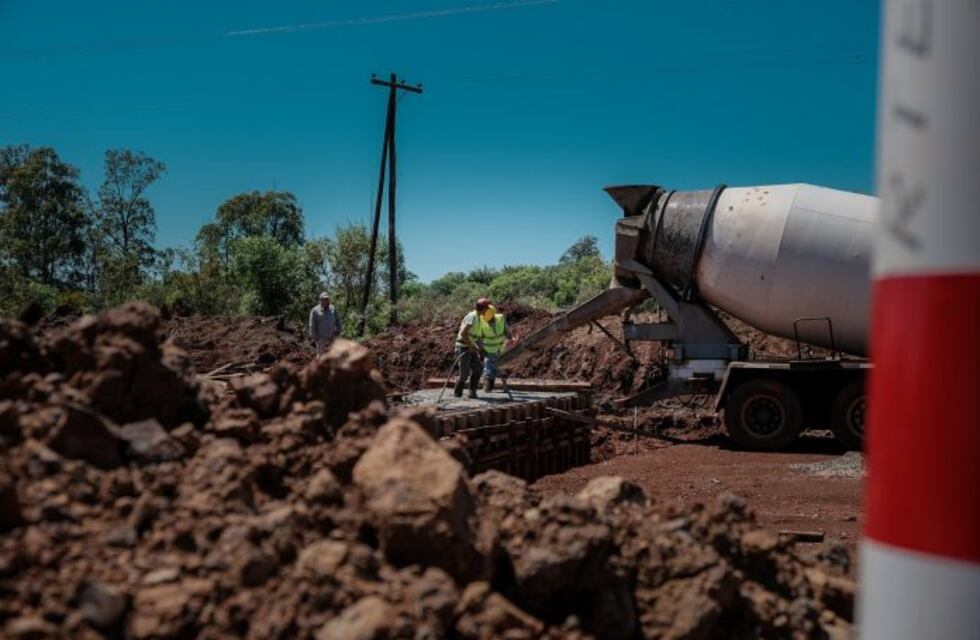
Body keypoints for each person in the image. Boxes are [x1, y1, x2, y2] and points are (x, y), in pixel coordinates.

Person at [454, 297, 491, 398]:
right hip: (463, 347)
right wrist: (471, 346)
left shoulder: (479, 318)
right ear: (483, 308)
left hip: (470, 347)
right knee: (464, 374)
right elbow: (463, 333)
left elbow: (477, 337)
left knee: (478, 369)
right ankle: (457, 394)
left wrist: (482, 349)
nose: (487, 311)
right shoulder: (472, 317)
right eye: (486, 309)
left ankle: (472, 392)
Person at [473, 303, 512, 392]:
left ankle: (504, 387)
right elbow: (477, 338)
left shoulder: (500, 318)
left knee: (501, 368)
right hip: (488, 350)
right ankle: (487, 387)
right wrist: (481, 350)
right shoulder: (481, 321)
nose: (489, 321)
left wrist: (511, 338)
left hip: (501, 349)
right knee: (488, 368)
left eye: (490, 319)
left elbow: (507, 332)